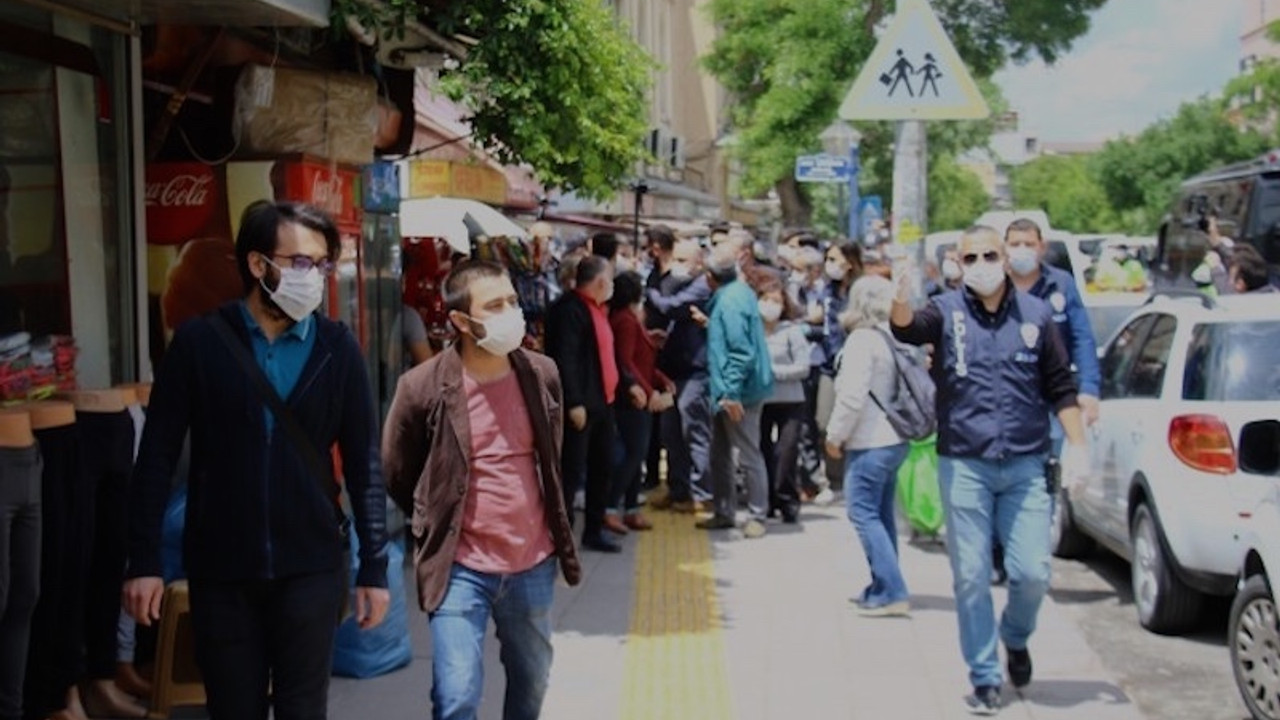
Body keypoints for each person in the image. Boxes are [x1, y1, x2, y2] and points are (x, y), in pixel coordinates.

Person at [123, 202, 390, 720]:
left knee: (302, 709)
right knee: (232, 709)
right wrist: (144, 562)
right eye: (299, 262)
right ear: (257, 265)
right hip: (222, 571)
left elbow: (365, 466)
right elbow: (154, 457)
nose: (312, 277)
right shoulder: (200, 344)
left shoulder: (338, 350)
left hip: (311, 568)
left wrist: (373, 567)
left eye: (322, 263)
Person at [890, 225, 1087, 715]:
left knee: (1031, 573)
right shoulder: (947, 311)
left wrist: (1079, 446)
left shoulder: (1038, 316)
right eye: (971, 256)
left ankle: (1015, 638)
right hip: (966, 464)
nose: (982, 263)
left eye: (990, 254)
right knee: (971, 576)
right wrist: (898, 296)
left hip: (1026, 464)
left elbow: (1061, 386)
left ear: (1006, 257)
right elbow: (907, 328)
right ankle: (984, 675)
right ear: (959, 262)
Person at [382, 259, 582, 720]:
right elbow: (396, 468)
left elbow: (552, 458)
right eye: (494, 305)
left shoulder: (542, 373)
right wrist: (434, 517)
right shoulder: (422, 386)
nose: (512, 312)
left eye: (512, 300)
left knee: (531, 682)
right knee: (458, 695)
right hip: (460, 566)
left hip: (531, 561)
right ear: (460, 320)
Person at [999, 218, 1102, 584]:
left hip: (1055, 398)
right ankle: (1002, 553)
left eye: (1029, 243)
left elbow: (1083, 339)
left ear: (1042, 247)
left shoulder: (1062, 285)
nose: (1022, 251)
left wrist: (1089, 388)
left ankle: (1032, 555)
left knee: (1045, 478)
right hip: (1009, 398)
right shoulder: (995, 284)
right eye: (1015, 243)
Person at [825, 275, 911, 617]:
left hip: (870, 441)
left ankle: (892, 590)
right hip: (894, 439)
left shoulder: (862, 340)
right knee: (881, 515)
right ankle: (882, 584)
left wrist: (834, 436)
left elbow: (851, 396)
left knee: (862, 513)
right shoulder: (889, 338)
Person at [545, 256, 644, 553]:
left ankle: (594, 529)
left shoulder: (599, 310)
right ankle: (558, 537)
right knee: (571, 471)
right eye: (610, 279)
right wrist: (573, 401)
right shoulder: (569, 310)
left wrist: (629, 384)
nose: (612, 285)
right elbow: (566, 358)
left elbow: (608, 356)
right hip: (582, 406)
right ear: (601, 282)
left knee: (603, 467)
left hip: (604, 402)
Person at [696, 244, 774, 538]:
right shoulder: (736, 295)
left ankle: (757, 515)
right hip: (728, 387)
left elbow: (742, 353)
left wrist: (731, 393)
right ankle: (724, 511)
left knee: (747, 453)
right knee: (720, 452)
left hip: (739, 391)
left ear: (710, 276)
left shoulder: (729, 302)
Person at [646, 240, 715, 513]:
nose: (676, 266)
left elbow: (669, 306)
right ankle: (679, 491)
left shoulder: (701, 285)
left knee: (694, 432)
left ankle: (702, 493)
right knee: (671, 433)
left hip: (695, 370)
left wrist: (650, 290)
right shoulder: (681, 282)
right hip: (674, 371)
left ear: (699, 264)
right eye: (675, 259)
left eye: (683, 261)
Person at [606, 271, 674, 533]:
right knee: (634, 454)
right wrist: (648, 389)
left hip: (640, 395)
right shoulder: (626, 320)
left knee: (637, 456)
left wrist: (660, 379)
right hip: (633, 399)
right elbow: (626, 361)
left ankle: (631, 509)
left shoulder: (628, 319)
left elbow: (639, 360)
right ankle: (612, 507)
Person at [754, 271, 810, 524]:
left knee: (786, 451)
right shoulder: (752, 330)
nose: (770, 305)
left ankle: (787, 498)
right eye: (765, 299)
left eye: (776, 300)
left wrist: (772, 372)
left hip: (790, 400)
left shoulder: (792, 331)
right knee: (761, 448)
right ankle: (766, 500)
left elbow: (803, 367)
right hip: (761, 399)